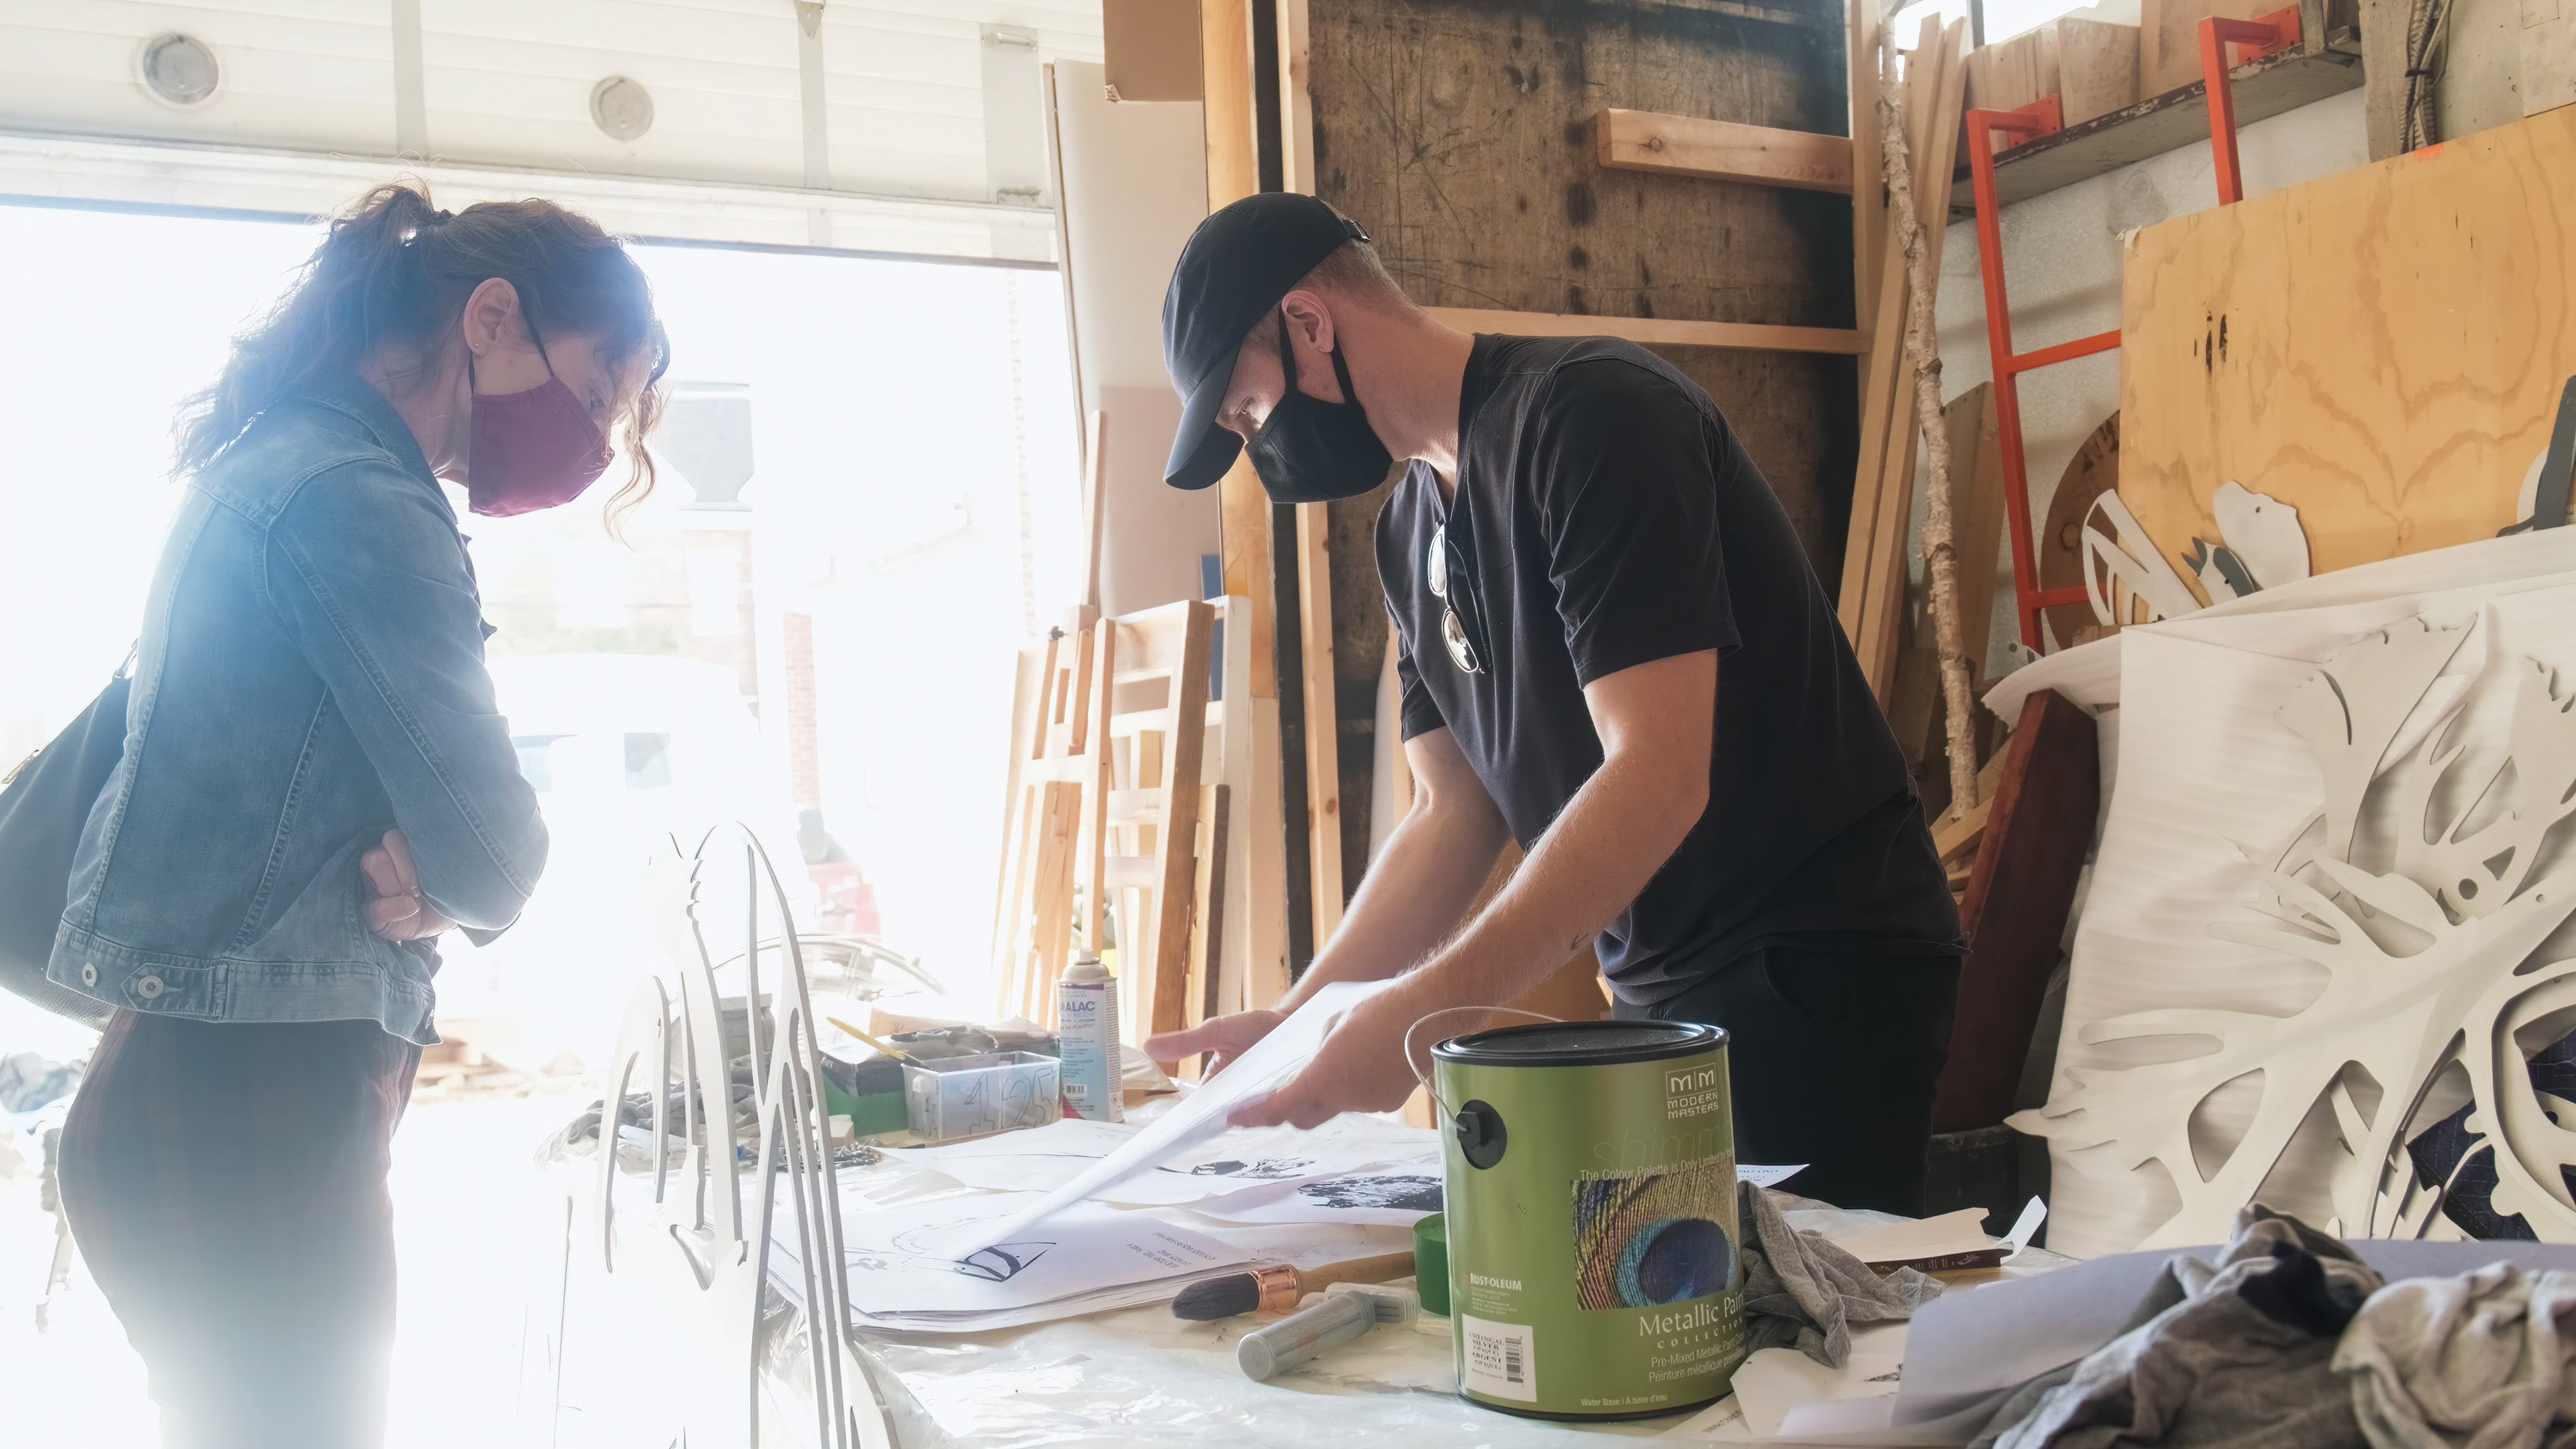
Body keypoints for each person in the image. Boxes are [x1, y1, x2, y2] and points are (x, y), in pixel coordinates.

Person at [1144, 193, 1962, 1215]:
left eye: (1250, 412)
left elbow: (1660, 772)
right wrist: (1298, 1022)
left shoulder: (1592, 418)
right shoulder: (1408, 535)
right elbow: (1450, 811)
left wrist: (1423, 1016)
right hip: (1660, 976)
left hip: (1812, 956)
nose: (1262, 449)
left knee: (1782, 1294)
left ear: (1308, 322)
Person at [49, 183, 666, 1447]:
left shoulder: (286, 458)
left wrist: (435, 866)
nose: (597, 438)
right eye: (601, 388)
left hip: (214, 1095)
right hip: (248, 1107)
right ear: (491, 318)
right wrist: (448, 875)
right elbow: (495, 850)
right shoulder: (354, 493)